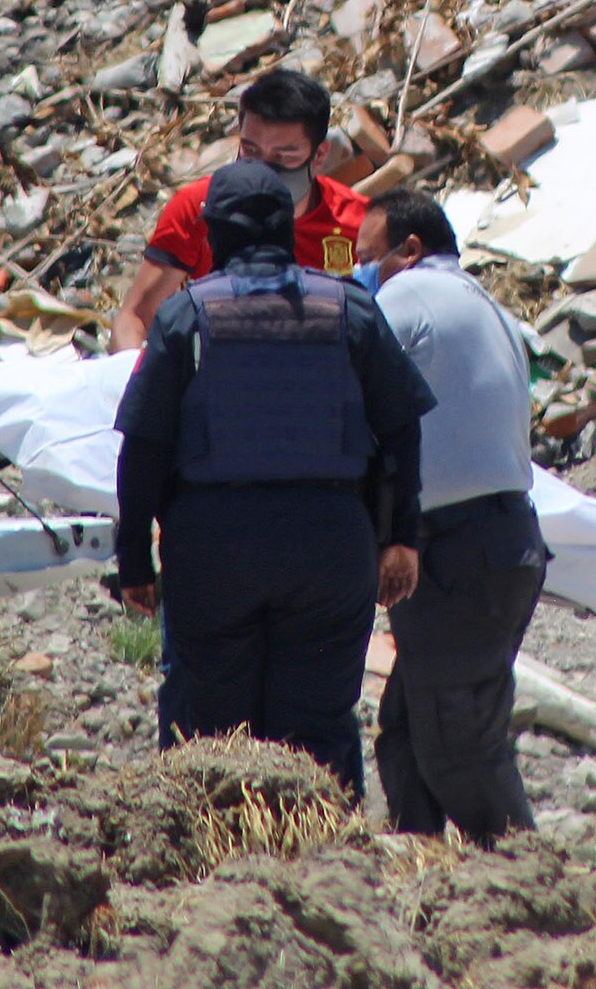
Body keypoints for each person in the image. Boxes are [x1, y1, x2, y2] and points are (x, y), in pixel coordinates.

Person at [114, 160, 434, 796]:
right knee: (317, 727)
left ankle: (208, 869)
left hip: (213, 547)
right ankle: (322, 869)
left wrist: (132, 563)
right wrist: (402, 537)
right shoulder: (351, 308)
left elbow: (143, 449)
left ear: (213, 233)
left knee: (205, 734)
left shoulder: (183, 319)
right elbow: (401, 429)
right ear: (291, 229)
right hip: (330, 545)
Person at [355, 188, 547, 841]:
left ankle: (533, 884)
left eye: (368, 258)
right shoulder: (484, 305)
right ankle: (423, 874)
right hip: (498, 546)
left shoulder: (407, 295)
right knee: (407, 733)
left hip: (458, 551)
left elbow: (347, 383)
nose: (361, 275)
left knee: (457, 746)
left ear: (410, 251)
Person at [115, 69, 364, 350]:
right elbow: (135, 317)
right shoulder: (199, 208)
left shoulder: (356, 222)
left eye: (283, 156)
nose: (262, 170)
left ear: (319, 155)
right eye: (251, 150)